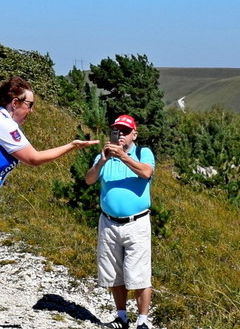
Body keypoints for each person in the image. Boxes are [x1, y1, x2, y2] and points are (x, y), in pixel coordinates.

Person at [0, 76, 100, 329]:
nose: (31, 111)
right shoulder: (2, 123)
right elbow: (33, 159)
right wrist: (71, 146)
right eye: (30, 104)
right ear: (15, 102)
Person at [84, 115, 155, 329]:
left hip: (137, 223)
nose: (121, 134)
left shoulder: (143, 153)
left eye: (125, 131)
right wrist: (103, 159)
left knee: (139, 274)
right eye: (117, 130)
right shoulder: (104, 157)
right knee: (114, 272)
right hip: (109, 222)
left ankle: (142, 320)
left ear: (135, 134)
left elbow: (146, 173)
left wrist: (123, 156)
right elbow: (89, 179)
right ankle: (121, 317)